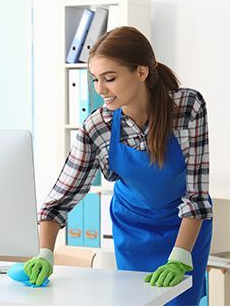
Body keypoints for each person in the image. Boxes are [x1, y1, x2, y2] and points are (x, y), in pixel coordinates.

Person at [24, 26, 213, 305]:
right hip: (132, 228)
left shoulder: (186, 107)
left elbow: (196, 196)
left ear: (141, 72)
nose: (100, 90)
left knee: (180, 300)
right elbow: (59, 200)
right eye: (95, 80)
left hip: (184, 227)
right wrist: (44, 253)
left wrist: (179, 256)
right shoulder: (97, 127)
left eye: (109, 78)